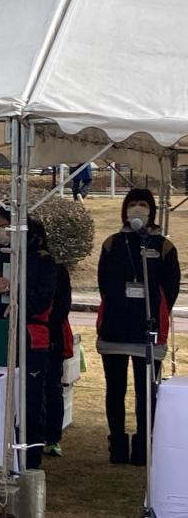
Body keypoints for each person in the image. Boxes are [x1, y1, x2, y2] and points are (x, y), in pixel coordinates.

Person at [97, 188, 180, 465]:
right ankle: (117, 444)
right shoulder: (112, 243)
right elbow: (104, 283)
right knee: (115, 389)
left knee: (147, 391)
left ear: (152, 210)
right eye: (132, 203)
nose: (137, 208)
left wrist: (155, 308)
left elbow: (171, 287)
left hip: (148, 329)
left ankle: (144, 445)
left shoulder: (163, 246)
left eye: (143, 204)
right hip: (115, 328)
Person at [0, 211, 56, 469]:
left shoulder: (43, 261)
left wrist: (14, 290)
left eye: (7, 226)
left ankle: (31, 460)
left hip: (32, 338)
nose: (2, 232)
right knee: (0, 399)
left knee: (30, 402)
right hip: (0, 335)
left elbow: (44, 299)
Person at [44, 259, 74, 457]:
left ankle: (52, 438)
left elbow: (63, 306)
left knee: (53, 388)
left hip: (52, 338)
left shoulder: (55, 269)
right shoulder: (0, 260)